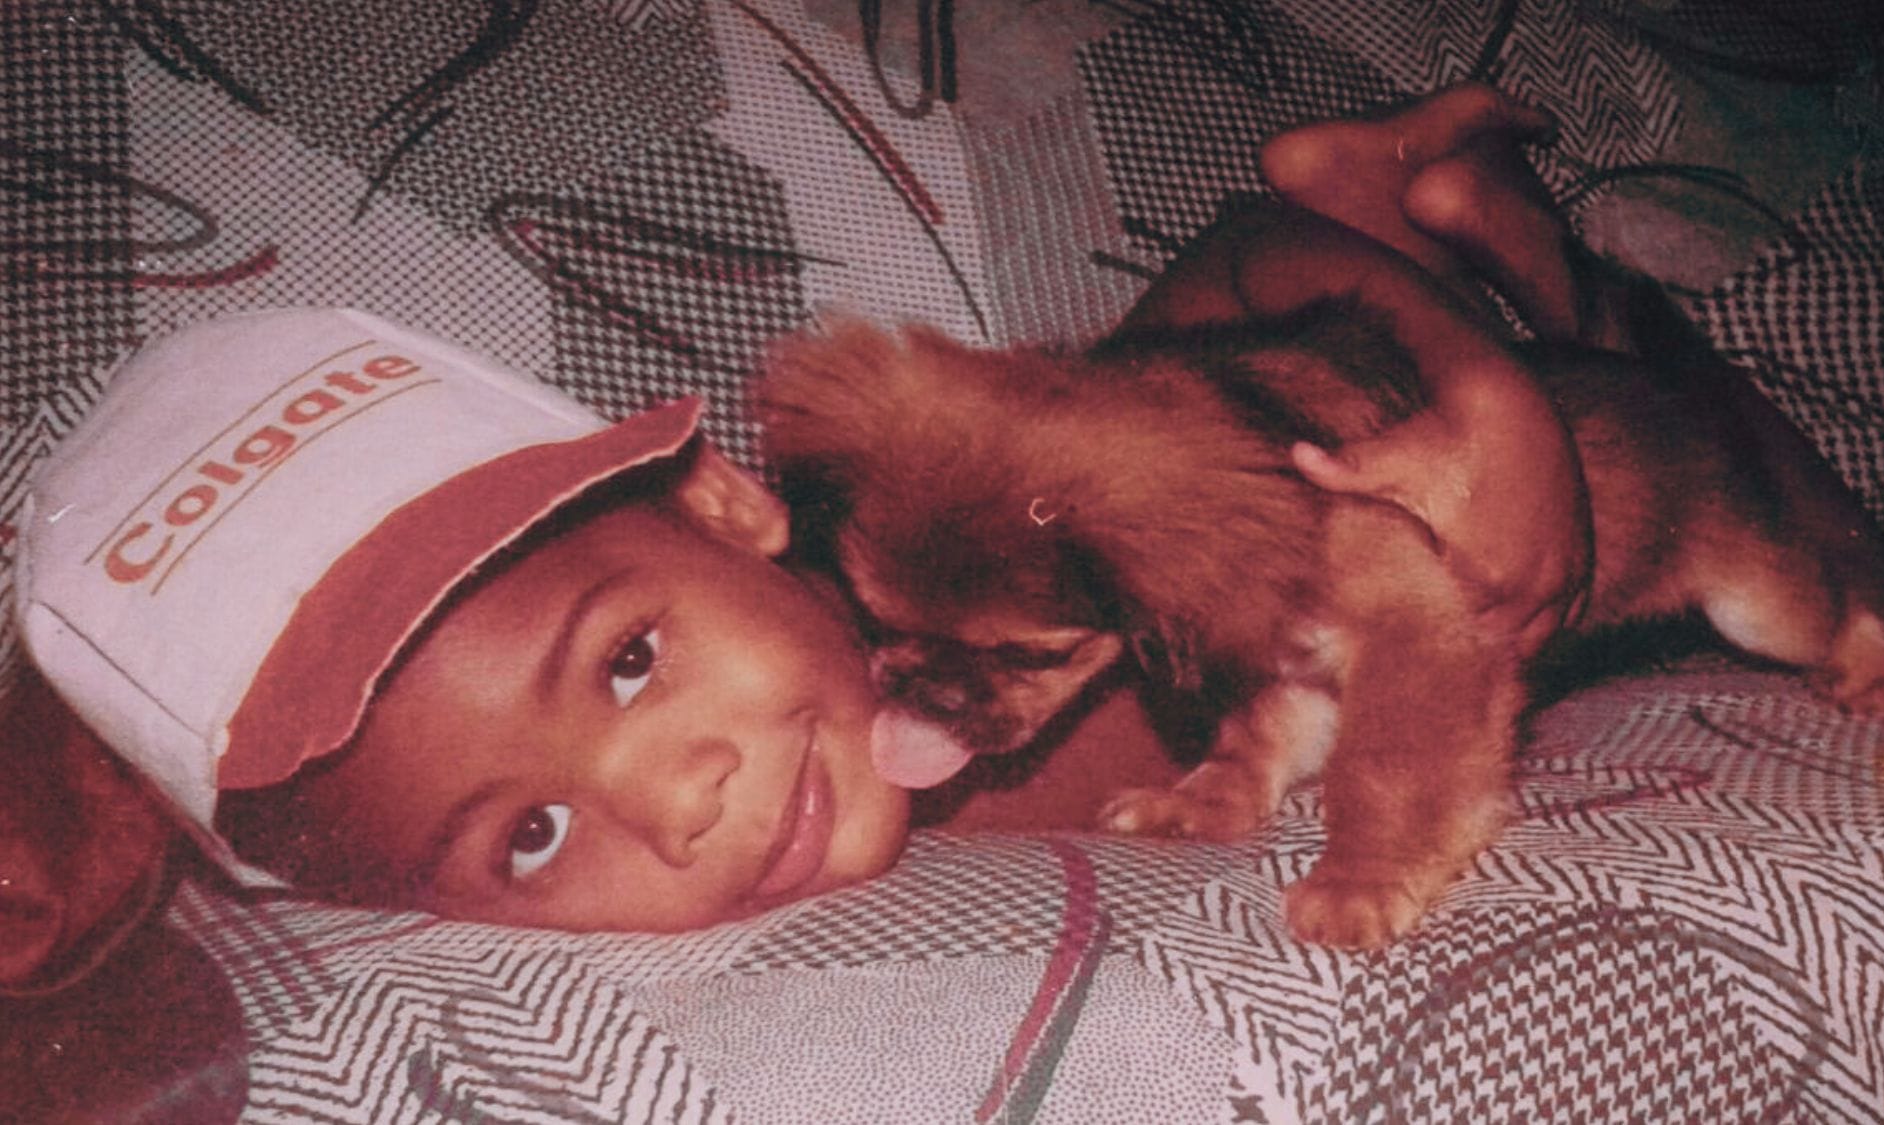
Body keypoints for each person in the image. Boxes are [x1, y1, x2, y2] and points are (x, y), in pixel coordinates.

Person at [6, 83, 1603, 940]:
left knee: (1575, 384)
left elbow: (1238, 279)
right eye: (531, 836)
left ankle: (1429, 203)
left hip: (1404, 431)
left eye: (629, 658)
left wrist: (1490, 399)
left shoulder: (951, 535)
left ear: (721, 509)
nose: (679, 796)